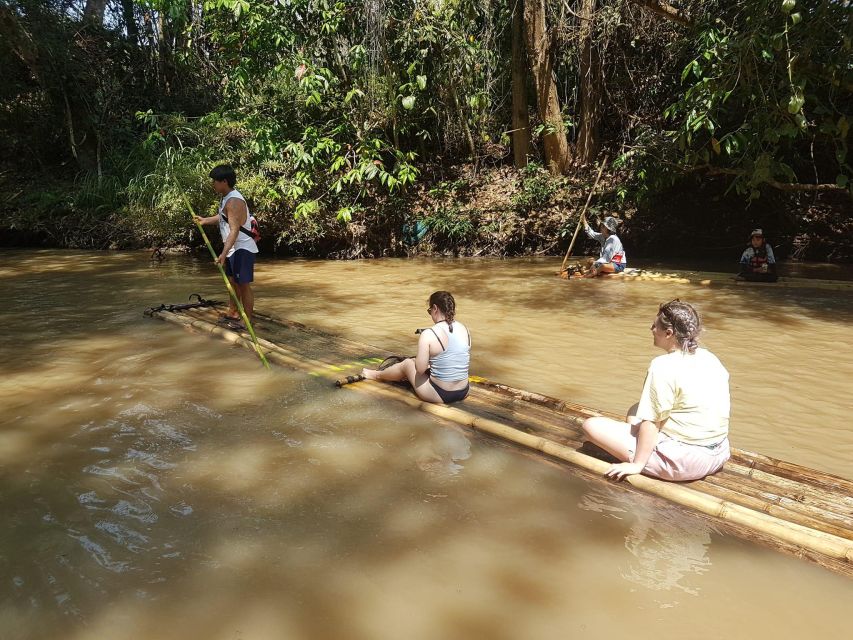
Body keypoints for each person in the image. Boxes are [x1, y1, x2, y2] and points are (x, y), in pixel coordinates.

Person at [581, 300, 731, 482]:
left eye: (655, 326)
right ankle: (642, 446)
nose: (651, 328)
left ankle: (643, 457)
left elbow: (651, 422)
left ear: (669, 333)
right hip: (719, 453)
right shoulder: (709, 357)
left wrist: (637, 465)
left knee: (591, 426)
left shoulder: (662, 366)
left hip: (684, 463)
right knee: (636, 409)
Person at [361, 291, 471, 404]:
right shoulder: (465, 329)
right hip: (464, 391)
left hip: (441, 394)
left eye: (430, 311)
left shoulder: (429, 333)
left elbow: (420, 369)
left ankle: (375, 375)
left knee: (407, 364)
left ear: (435, 308)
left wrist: (417, 361)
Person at [193, 164, 259, 327]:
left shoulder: (234, 201)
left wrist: (222, 253)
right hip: (233, 248)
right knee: (232, 282)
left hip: (241, 248)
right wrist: (205, 220)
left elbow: (234, 231)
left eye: (214, 181)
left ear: (224, 181)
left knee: (243, 285)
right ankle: (234, 312)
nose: (212, 184)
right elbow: (223, 217)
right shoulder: (226, 198)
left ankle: (247, 320)